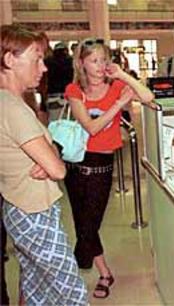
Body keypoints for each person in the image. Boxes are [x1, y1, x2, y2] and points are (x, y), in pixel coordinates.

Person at [0, 24, 87, 305]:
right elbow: (58, 169)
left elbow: (49, 157)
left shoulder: (12, 102)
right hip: (34, 213)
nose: (44, 67)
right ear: (10, 60)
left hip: (20, 207)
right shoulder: (13, 108)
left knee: (35, 287)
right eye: (36, 58)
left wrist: (47, 153)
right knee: (72, 292)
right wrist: (49, 154)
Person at [64, 37, 154, 299]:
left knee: (90, 226)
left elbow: (148, 97)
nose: (101, 65)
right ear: (82, 63)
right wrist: (117, 106)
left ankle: (74, 269)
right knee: (83, 225)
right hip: (77, 165)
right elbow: (90, 128)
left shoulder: (116, 86)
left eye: (104, 59)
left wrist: (124, 75)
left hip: (102, 165)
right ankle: (104, 273)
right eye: (94, 60)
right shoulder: (74, 90)